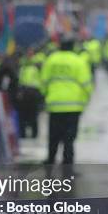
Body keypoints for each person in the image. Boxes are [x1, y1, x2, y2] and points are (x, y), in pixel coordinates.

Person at [41, 36, 92, 165]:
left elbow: (43, 82)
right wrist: (85, 101)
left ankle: (50, 161)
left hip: (54, 106)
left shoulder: (51, 60)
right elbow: (87, 85)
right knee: (69, 138)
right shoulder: (78, 61)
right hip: (73, 107)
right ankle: (68, 166)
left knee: (53, 137)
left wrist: (46, 96)